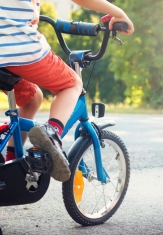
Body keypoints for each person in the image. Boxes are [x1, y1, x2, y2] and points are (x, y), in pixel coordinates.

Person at [0, 0, 134, 182]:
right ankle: (52, 133)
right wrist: (118, 12)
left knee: (32, 98)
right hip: (17, 45)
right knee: (72, 84)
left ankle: (10, 170)